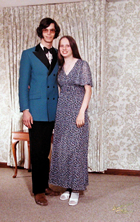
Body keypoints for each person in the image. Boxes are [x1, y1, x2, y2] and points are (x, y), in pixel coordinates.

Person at [19, 17, 60, 206]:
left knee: (46, 151)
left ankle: (44, 185)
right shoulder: (28, 54)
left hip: (53, 109)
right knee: (37, 151)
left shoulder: (60, 54)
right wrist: (25, 110)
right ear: (41, 32)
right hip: (35, 111)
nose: (49, 33)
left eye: (52, 30)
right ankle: (38, 191)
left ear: (55, 32)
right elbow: (22, 84)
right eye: (46, 30)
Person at [49, 36, 93, 206]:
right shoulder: (59, 68)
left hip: (77, 112)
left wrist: (82, 112)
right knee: (64, 150)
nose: (64, 48)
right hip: (62, 113)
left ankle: (76, 189)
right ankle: (67, 187)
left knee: (76, 151)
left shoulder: (82, 65)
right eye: (61, 46)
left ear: (73, 47)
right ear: (59, 49)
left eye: (67, 45)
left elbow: (88, 90)